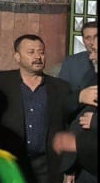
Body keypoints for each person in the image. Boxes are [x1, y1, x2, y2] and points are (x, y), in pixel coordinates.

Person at [0, 34, 79, 183]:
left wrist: (69, 166)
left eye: (41, 52)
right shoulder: (1, 82)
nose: (38, 57)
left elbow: (69, 127)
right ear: (17, 56)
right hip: (11, 164)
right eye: (31, 52)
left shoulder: (61, 88)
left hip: (47, 166)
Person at [58, 21, 98, 183]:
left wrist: (95, 121)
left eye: (96, 37)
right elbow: (64, 103)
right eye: (88, 38)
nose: (91, 56)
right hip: (85, 159)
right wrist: (70, 164)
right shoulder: (75, 66)